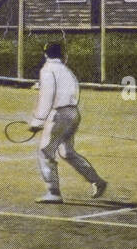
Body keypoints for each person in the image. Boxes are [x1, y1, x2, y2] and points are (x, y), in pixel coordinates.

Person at [27, 43, 106, 204]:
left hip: (60, 114)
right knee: (67, 152)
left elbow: (47, 96)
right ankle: (97, 181)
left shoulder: (47, 69)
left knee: (45, 151)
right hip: (73, 112)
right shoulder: (66, 70)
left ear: (45, 54)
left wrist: (38, 120)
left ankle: (53, 193)